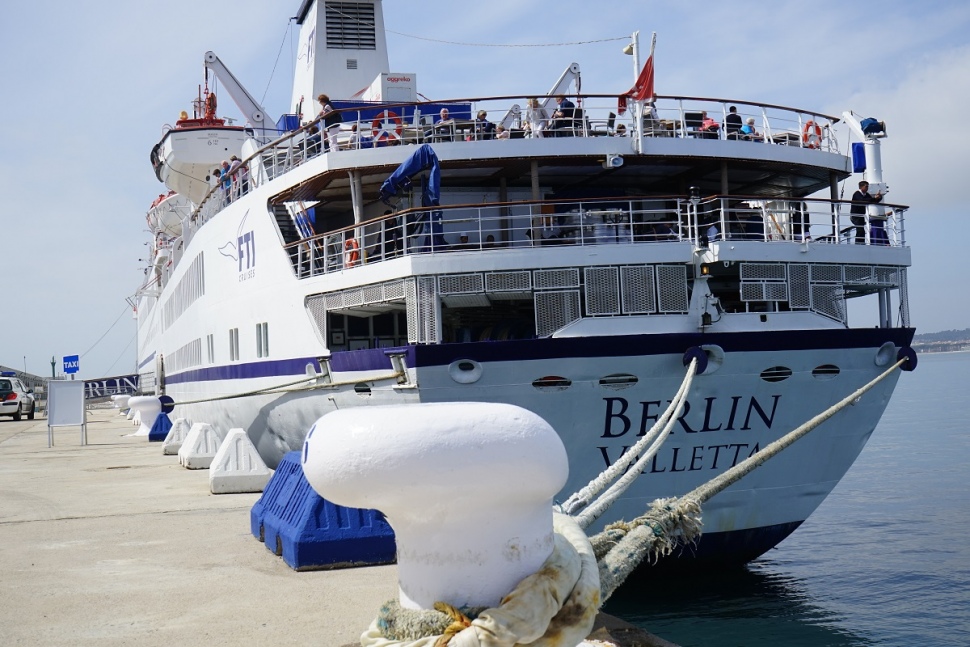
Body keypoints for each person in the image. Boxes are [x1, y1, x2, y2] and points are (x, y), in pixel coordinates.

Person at [850, 180, 884, 245]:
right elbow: (862, 200)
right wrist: (874, 198)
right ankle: (859, 244)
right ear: (861, 187)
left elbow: (872, 201)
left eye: (867, 186)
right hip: (855, 216)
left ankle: (860, 243)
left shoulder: (866, 195)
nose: (867, 188)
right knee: (860, 230)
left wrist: (879, 197)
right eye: (866, 186)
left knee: (861, 230)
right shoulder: (857, 194)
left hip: (861, 216)